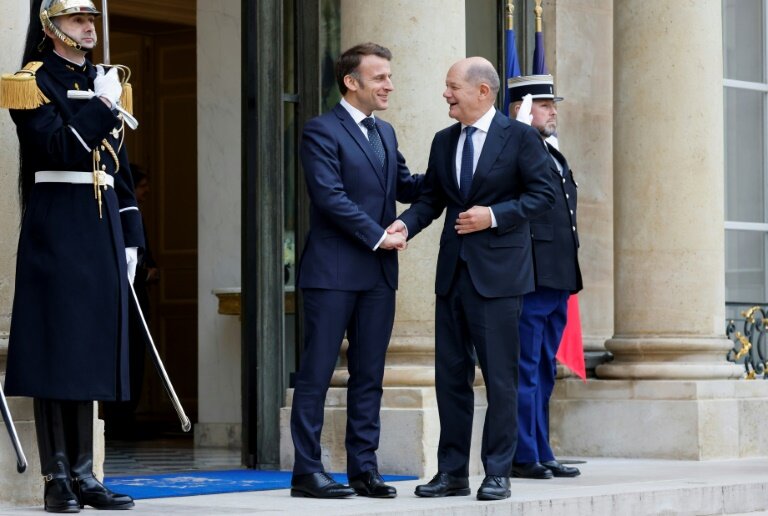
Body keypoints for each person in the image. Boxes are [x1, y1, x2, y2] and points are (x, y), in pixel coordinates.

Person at [390, 57, 556, 501]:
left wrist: (494, 216)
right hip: (453, 278)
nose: (446, 94)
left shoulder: (520, 137)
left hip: (500, 279)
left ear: (483, 91)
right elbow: (432, 200)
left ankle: (497, 471)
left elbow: (544, 196)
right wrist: (405, 226)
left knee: (501, 379)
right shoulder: (444, 141)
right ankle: (452, 474)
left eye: (452, 87)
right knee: (450, 378)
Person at [1, 0, 142, 511]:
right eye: (78, 19)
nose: (89, 27)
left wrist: (131, 236)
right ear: (50, 26)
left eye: (91, 19)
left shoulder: (107, 80)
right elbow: (57, 149)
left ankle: (86, 474)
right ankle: (56, 477)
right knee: (57, 349)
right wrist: (102, 107)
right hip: (58, 227)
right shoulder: (31, 81)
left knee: (89, 349)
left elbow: (119, 170)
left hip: (100, 229)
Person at [290, 42, 423, 499]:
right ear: (352, 81)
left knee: (370, 375)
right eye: (380, 76)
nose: (389, 84)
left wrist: (459, 167)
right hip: (332, 273)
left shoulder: (384, 133)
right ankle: (307, 471)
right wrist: (379, 234)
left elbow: (406, 185)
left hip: (378, 275)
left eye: (389, 75)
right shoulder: (320, 131)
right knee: (317, 372)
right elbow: (330, 197)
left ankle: (364, 469)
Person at [508, 75, 582, 479]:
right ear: (521, 109)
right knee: (525, 367)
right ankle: (523, 453)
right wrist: (518, 131)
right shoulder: (516, 149)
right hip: (532, 278)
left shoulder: (551, 153)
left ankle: (542, 448)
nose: (553, 111)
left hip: (558, 279)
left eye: (554, 104)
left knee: (543, 370)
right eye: (543, 104)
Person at [103, 165, 158, 440]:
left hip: (138, 303)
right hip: (119, 302)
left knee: (136, 361)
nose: (146, 191)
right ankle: (116, 421)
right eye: (143, 185)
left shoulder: (135, 216)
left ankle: (126, 419)